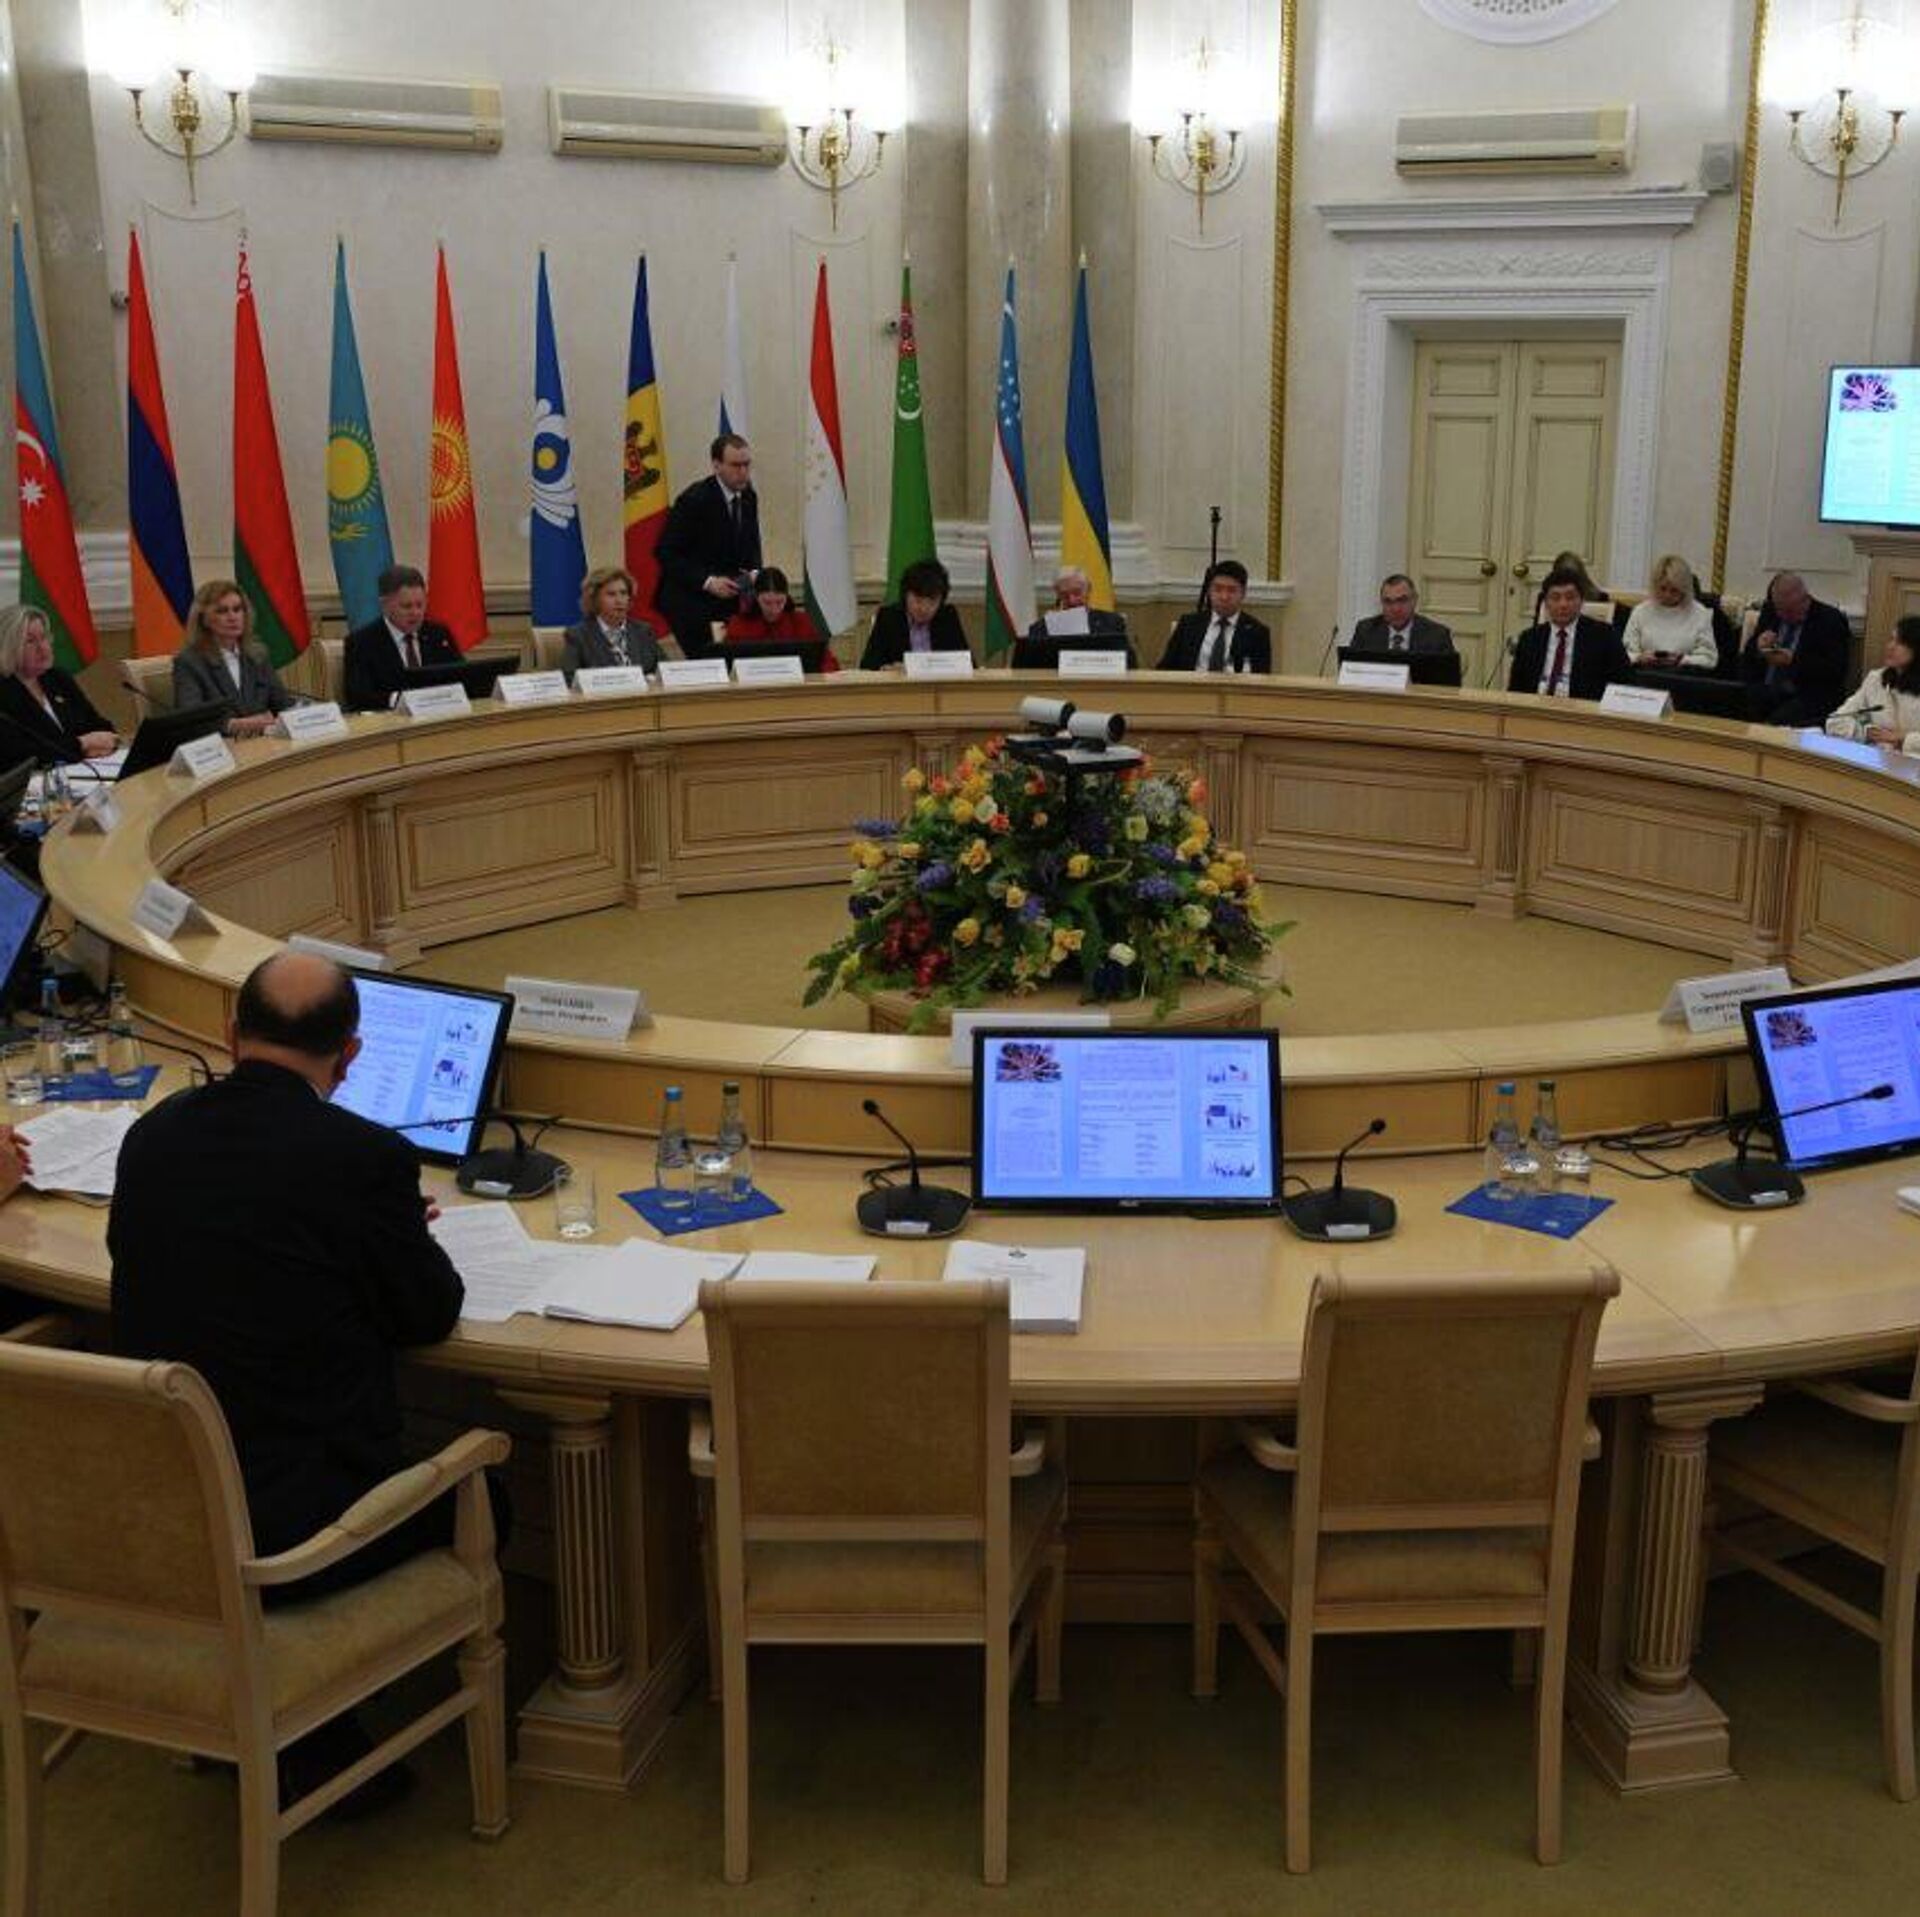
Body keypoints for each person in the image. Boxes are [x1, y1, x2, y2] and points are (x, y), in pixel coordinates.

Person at [109, 952, 464, 1582]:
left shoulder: (153, 1132)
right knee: (486, 1497)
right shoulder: (365, 1157)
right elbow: (428, 1315)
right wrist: (399, 1232)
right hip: (301, 1538)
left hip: (161, 1515)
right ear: (349, 1057)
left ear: (231, 1035)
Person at [655, 434, 761, 660]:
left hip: (729, 598)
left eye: (747, 464)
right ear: (716, 465)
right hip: (690, 599)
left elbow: (751, 543)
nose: (743, 472)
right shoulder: (694, 500)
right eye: (735, 465)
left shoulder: (748, 496)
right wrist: (709, 582)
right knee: (710, 666)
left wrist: (754, 572)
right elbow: (665, 552)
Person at [171, 579, 297, 736]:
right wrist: (236, 725)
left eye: (237, 609)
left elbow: (282, 704)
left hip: (263, 744)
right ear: (204, 620)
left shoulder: (257, 656)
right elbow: (190, 721)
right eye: (222, 611)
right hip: (222, 746)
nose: (233, 617)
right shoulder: (189, 662)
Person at [0, 604, 117, 766]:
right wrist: (82, 744)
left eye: (44, 637)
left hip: (82, 771)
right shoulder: (4, 692)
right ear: (8, 648)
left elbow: (99, 726)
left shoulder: (57, 678)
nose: (42, 647)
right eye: (30, 641)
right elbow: (22, 754)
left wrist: (102, 741)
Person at [342, 564, 462, 713]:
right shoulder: (362, 642)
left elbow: (462, 677)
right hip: (391, 722)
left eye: (420, 605)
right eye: (407, 606)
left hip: (440, 716)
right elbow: (358, 697)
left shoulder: (438, 634)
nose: (415, 613)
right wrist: (398, 700)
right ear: (385, 605)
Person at [1507, 564, 1632, 701]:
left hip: (1583, 711)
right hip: (1535, 709)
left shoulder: (1605, 636)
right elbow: (1515, 691)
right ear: (1545, 603)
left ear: (1581, 601)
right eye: (1555, 598)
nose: (1563, 604)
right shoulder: (1529, 639)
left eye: (1570, 597)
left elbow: (1623, 686)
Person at [1743, 570, 1852, 725]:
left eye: (1789, 611)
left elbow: (1835, 671)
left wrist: (1793, 661)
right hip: (1767, 689)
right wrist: (1758, 646)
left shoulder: (1830, 619)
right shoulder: (1771, 611)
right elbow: (1747, 656)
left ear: (1805, 599)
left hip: (1806, 695)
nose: (1782, 615)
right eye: (1779, 609)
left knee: (1775, 723)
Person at [1825, 615, 1920, 755]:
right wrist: (1867, 732)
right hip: (1879, 762)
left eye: (1900, 643)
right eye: (1891, 639)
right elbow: (1835, 722)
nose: (1890, 647)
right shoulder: (1876, 679)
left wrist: (1904, 738)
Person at [1157, 560, 1272, 674]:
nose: (1224, 597)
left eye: (1231, 590)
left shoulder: (1257, 633)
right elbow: (1165, 669)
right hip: (1191, 685)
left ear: (1243, 593)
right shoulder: (1188, 624)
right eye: (1218, 589)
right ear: (1209, 591)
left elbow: (1262, 677)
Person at [860, 558, 970, 670]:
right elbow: (867, 667)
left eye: (932, 602)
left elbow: (967, 664)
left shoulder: (947, 616)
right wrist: (889, 669)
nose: (924, 609)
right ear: (905, 595)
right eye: (918, 600)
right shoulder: (889, 617)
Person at [725, 567, 838, 672]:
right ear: (756, 597)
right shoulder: (739, 624)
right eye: (767, 603)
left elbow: (824, 659)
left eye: (780, 602)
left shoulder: (801, 622)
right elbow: (727, 665)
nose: (774, 609)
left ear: (787, 597)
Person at [1621, 555, 1719, 671]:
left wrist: (1683, 659)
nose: (1667, 595)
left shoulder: (1700, 614)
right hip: (1646, 674)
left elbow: (1709, 659)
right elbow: (1624, 653)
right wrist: (1639, 657)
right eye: (1662, 588)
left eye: (1674, 590)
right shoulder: (1640, 612)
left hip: (1685, 676)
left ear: (1684, 589)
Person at [561, 565, 663, 676]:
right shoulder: (578, 636)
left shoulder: (643, 631)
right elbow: (570, 677)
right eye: (611, 594)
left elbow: (665, 670)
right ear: (595, 599)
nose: (619, 600)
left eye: (623, 593)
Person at [1023, 566, 1132, 656]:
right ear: (1057, 595)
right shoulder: (1041, 629)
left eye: (1077, 593)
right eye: (1064, 595)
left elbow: (1128, 662)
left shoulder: (1112, 623)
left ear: (1088, 590)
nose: (1072, 600)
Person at [1347, 575, 1454, 656]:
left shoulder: (1437, 636)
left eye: (1402, 600)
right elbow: (1350, 671)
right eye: (1388, 602)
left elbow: (1448, 677)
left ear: (1414, 600)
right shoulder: (1366, 631)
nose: (1395, 609)